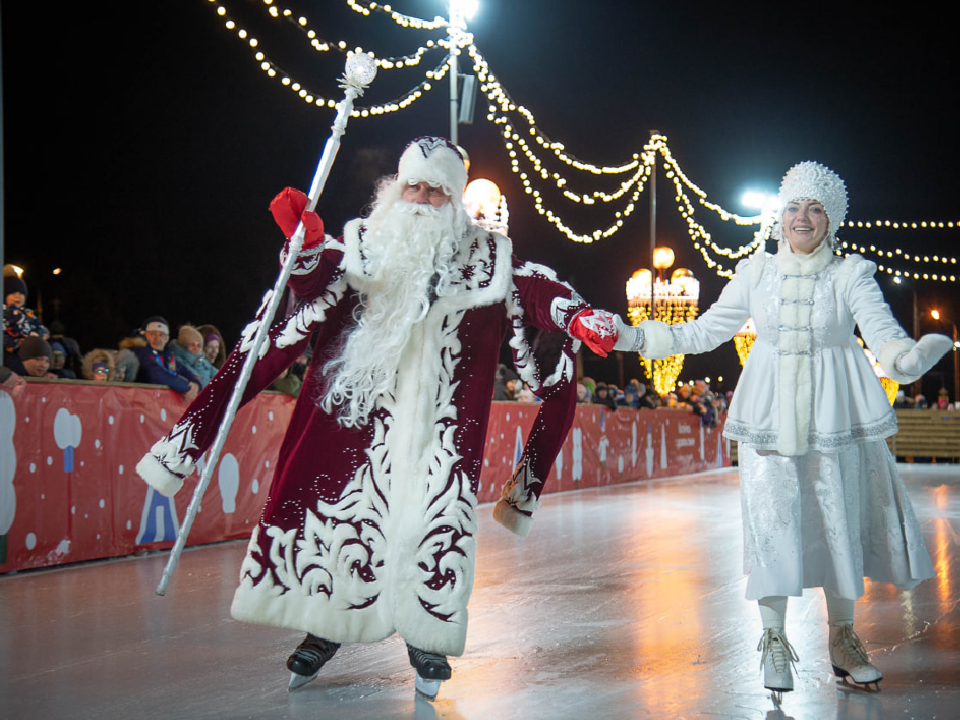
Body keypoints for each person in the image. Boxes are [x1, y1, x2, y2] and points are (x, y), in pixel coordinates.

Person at [135, 137, 633, 699]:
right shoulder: (361, 245)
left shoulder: (487, 257)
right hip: (356, 420)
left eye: (438, 191)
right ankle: (326, 628)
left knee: (429, 525)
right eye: (414, 186)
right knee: (345, 524)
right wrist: (304, 247)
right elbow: (309, 287)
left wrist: (579, 314)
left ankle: (424, 634)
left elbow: (540, 292)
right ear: (396, 189)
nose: (423, 199)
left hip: (441, 429)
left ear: (456, 200)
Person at [617, 161, 950, 695]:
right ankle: (774, 641)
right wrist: (636, 338)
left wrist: (904, 360)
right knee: (772, 525)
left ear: (831, 219)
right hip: (768, 420)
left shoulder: (851, 274)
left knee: (837, 522)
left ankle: (842, 637)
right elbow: (706, 331)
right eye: (794, 206)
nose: (802, 216)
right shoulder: (756, 274)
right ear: (780, 216)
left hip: (835, 418)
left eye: (815, 208)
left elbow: (880, 329)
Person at [128, 316, 201, 402]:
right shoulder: (140, 351)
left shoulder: (167, 356)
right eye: (152, 334)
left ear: (166, 338)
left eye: (161, 335)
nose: (157, 338)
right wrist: (187, 387)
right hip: (139, 404)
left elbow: (185, 372)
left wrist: (196, 385)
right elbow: (156, 374)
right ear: (144, 335)